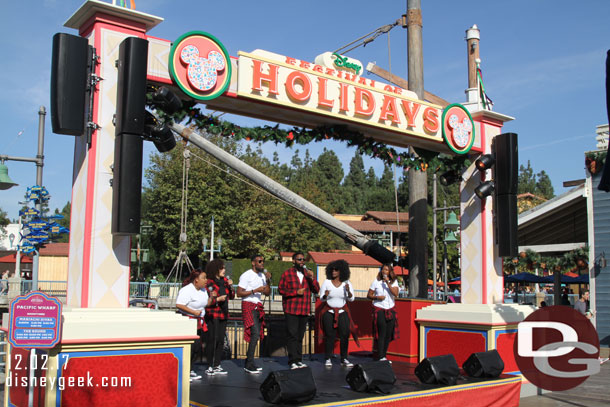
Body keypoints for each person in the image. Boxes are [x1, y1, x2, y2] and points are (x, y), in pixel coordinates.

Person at [278, 252, 320, 369]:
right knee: (292, 335)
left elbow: (316, 290)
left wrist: (312, 278)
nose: (302, 262)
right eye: (299, 259)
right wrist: (295, 292)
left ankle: (298, 359)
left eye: (303, 260)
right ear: (293, 261)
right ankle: (292, 361)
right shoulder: (287, 274)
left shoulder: (307, 274)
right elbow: (281, 290)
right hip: (291, 309)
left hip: (304, 309)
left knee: (300, 336)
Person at [317, 259, 358, 368]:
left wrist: (348, 291)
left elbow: (352, 299)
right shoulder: (326, 282)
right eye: (332, 270)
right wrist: (325, 295)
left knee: (344, 335)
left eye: (336, 270)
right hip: (329, 312)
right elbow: (321, 299)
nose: (334, 272)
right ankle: (328, 358)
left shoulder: (347, 283)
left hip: (342, 312)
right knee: (330, 336)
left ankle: (344, 358)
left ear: (342, 271)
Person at [175, 268, 213, 381]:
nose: (206, 280)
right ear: (196, 280)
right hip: (188, 321)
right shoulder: (187, 290)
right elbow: (179, 304)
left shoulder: (203, 290)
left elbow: (206, 304)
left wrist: (212, 297)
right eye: (203, 278)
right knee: (191, 347)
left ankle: (190, 369)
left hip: (199, 322)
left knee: (197, 348)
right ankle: (183, 371)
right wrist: (193, 312)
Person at [237, 254, 271, 374]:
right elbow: (239, 293)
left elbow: (267, 293)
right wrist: (254, 290)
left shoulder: (262, 276)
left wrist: (268, 280)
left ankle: (249, 361)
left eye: (263, 261)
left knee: (257, 333)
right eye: (260, 261)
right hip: (248, 304)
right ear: (253, 263)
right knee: (255, 332)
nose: (262, 263)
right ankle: (249, 363)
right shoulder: (246, 275)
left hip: (257, 306)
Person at [204, 259, 234, 376]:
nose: (224, 270)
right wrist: (217, 299)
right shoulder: (209, 282)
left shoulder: (225, 281)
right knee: (213, 338)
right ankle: (209, 364)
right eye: (222, 268)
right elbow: (207, 299)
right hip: (213, 313)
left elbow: (231, 296)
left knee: (221, 339)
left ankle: (217, 364)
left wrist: (231, 287)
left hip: (223, 312)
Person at [367, 263, 399, 362]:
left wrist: (388, 283)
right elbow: (369, 295)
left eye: (386, 270)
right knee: (382, 333)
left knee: (388, 334)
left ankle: (384, 355)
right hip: (379, 308)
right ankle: (380, 356)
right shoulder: (376, 281)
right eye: (383, 269)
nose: (384, 271)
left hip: (390, 308)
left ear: (390, 272)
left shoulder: (394, 282)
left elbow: (396, 293)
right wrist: (377, 297)